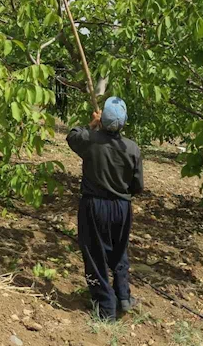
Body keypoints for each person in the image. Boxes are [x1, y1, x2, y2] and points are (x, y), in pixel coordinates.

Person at [66, 96, 143, 321]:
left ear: (101, 120)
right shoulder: (132, 148)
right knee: (119, 251)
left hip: (94, 205)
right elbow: (137, 186)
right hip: (122, 207)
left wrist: (92, 125)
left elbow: (72, 136)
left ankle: (105, 308)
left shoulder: (90, 140)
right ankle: (124, 296)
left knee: (94, 255)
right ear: (124, 122)